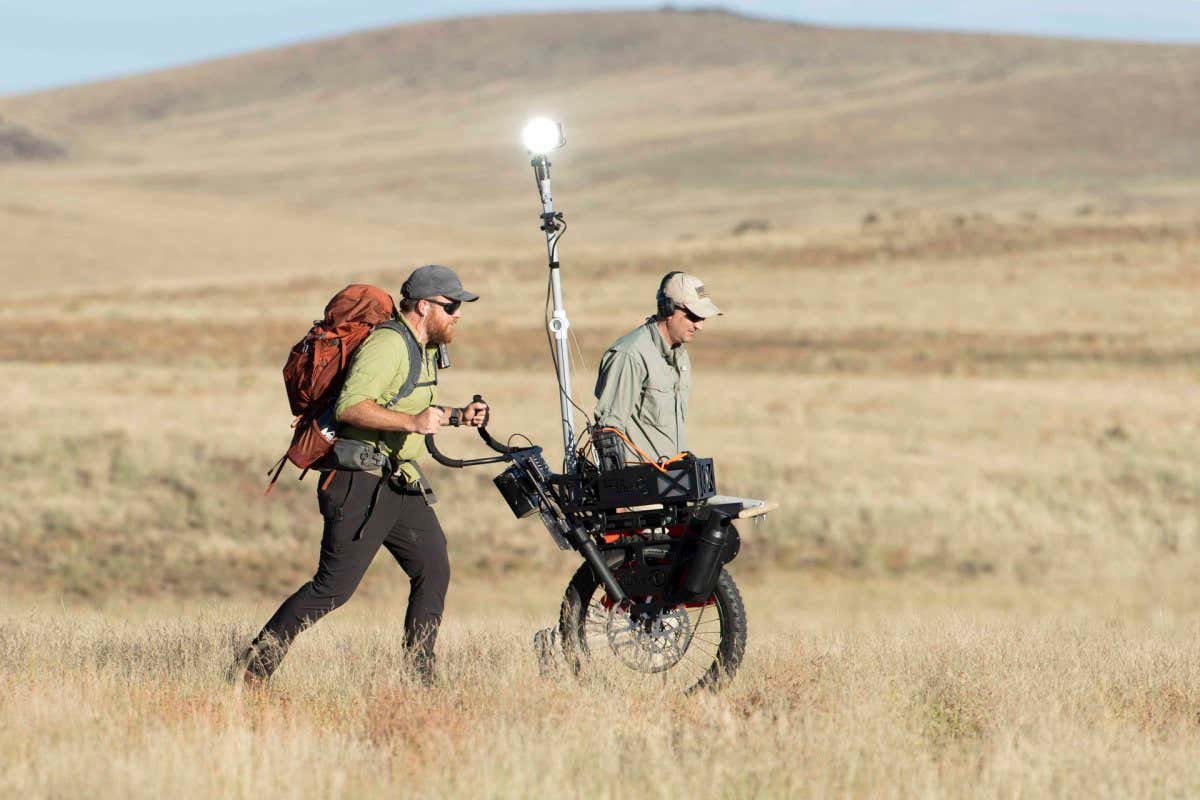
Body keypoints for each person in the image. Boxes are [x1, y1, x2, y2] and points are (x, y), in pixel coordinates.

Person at [240, 264, 488, 684]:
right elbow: (351, 407)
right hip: (358, 483)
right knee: (332, 588)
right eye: (451, 305)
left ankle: (419, 680)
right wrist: (413, 424)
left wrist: (455, 416)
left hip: (396, 481)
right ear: (424, 307)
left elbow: (408, 406)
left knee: (433, 567)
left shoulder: (423, 347)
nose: (458, 313)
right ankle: (252, 669)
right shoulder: (389, 346)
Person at [593, 271, 721, 462]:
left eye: (703, 319)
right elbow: (608, 433)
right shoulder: (630, 355)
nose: (699, 326)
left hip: (672, 482)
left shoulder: (681, 356)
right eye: (694, 317)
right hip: (640, 487)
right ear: (667, 309)